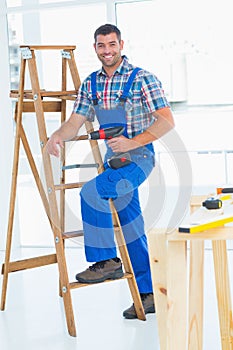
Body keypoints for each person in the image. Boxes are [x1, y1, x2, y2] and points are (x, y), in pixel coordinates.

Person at [46, 23, 175, 319]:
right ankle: (148, 293)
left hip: (139, 158)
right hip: (112, 161)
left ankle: (106, 261)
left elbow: (167, 121)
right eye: (101, 46)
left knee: (93, 191)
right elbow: (76, 121)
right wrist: (57, 136)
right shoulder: (91, 84)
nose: (107, 51)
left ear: (121, 45)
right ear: (95, 48)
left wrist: (133, 140)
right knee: (131, 227)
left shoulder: (142, 79)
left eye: (112, 45)